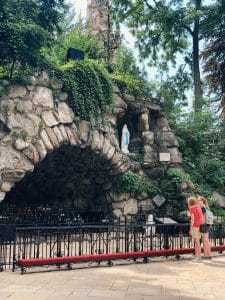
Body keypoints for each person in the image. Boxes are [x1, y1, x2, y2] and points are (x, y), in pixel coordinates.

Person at [188, 196, 204, 262]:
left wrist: (191, 229)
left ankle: (199, 257)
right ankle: (198, 256)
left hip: (195, 226)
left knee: (196, 242)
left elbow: (192, 220)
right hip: (200, 226)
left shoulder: (192, 209)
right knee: (198, 242)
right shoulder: (199, 208)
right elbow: (202, 218)